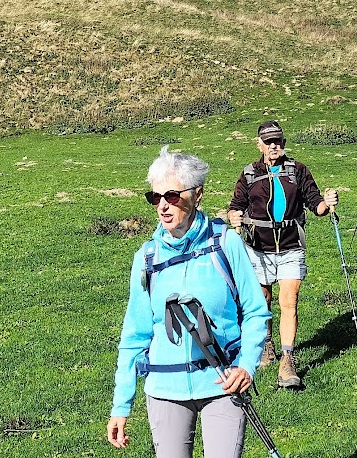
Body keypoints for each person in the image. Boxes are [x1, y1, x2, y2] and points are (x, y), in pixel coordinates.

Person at [108, 146, 272, 458]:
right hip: (164, 390)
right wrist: (121, 405)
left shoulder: (226, 244)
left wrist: (246, 366)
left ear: (197, 195)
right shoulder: (146, 257)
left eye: (171, 196)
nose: (163, 206)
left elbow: (255, 310)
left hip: (223, 383)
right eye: (155, 197)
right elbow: (135, 333)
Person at [226, 121, 337, 390]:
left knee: (289, 301)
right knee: (262, 301)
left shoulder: (298, 170)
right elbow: (235, 205)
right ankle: (267, 344)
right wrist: (234, 216)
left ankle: (287, 360)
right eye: (268, 142)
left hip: (290, 246)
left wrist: (327, 203)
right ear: (259, 145)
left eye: (277, 141)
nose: (273, 146)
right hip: (258, 247)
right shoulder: (249, 173)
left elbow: (315, 203)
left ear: (284, 143)